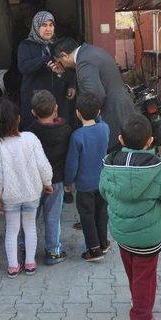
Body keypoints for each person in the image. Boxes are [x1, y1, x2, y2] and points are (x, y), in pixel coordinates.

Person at [99, 114, 161, 320]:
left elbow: (103, 191)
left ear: (120, 139)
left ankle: (140, 303)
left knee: (135, 275)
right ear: (150, 141)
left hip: (122, 234)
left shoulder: (110, 163)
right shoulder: (159, 169)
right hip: (148, 237)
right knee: (144, 278)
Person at [0, 97, 53, 278]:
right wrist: (47, 183)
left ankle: (13, 266)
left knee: (12, 229)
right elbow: (43, 165)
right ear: (17, 118)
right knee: (30, 227)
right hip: (32, 194)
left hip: (10, 197)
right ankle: (30, 263)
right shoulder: (30, 138)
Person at [51, 37, 138, 151]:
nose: (60, 65)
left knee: (113, 160)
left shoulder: (84, 62)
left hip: (112, 117)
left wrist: (84, 119)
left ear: (64, 55)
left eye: (59, 61)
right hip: (123, 109)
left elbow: (95, 96)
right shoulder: (92, 51)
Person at [64, 92, 110, 262]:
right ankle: (104, 243)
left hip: (84, 186)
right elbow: (99, 120)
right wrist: (96, 114)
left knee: (87, 217)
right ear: (99, 112)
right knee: (101, 212)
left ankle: (94, 249)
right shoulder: (104, 128)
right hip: (102, 182)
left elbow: (72, 164)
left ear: (77, 113)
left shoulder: (77, 136)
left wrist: (68, 182)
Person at [28, 90, 72, 265]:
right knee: (53, 216)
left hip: (34, 181)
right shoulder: (66, 130)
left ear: (33, 112)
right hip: (57, 181)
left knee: (30, 216)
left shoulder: (30, 132)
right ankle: (53, 251)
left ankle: (25, 247)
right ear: (56, 108)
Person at [17, 11, 75, 129]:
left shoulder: (58, 45)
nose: (48, 29)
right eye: (44, 25)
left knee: (59, 132)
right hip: (35, 99)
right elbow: (23, 67)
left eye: (51, 25)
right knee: (35, 133)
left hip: (58, 99)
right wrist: (45, 60)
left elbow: (70, 67)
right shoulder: (26, 45)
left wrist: (71, 85)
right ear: (36, 26)